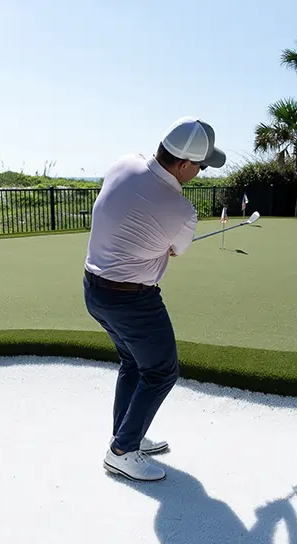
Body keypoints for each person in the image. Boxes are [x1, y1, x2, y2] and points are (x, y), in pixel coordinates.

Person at [83, 117, 226, 482]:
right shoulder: (182, 211)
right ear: (183, 165)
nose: (201, 172)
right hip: (133, 300)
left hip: (94, 289)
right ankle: (122, 451)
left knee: (132, 362)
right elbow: (175, 250)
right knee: (162, 371)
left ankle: (127, 434)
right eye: (201, 166)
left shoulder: (123, 162)